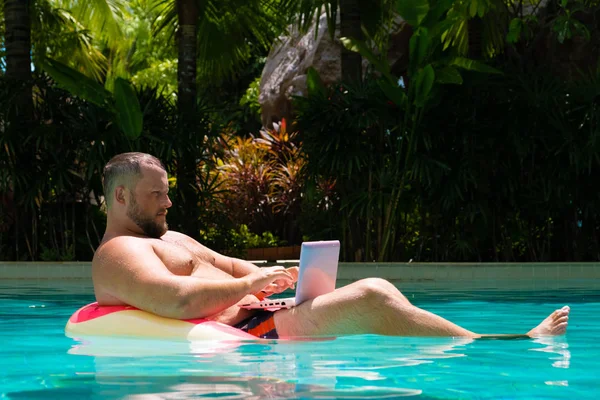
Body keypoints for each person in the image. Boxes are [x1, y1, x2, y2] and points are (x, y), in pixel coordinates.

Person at [92, 152, 570, 340]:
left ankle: (460, 338)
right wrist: (254, 284)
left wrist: (278, 274)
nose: (169, 202)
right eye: (157, 194)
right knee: (374, 294)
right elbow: (173, 299)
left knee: (377, 299)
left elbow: (229, 263)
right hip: (251, 331)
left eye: (167, 191)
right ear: (121, 196)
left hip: (261, 312)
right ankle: (490, 344)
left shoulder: (168, 237)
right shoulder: (119, 253)